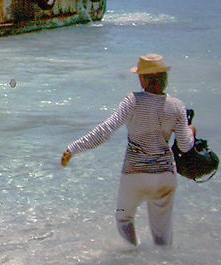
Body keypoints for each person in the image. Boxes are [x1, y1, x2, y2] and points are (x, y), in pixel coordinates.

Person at [61, 54, 195, 247]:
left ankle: (133, 260)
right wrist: (190, 131)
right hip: (165, 174)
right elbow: (185, 145)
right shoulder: (176, 106)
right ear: (165, 78)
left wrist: (73, 149)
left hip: (135, 174)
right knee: (163, 236)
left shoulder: (132, 101)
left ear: (142, 79)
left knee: (124, 219)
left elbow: (105, 130)